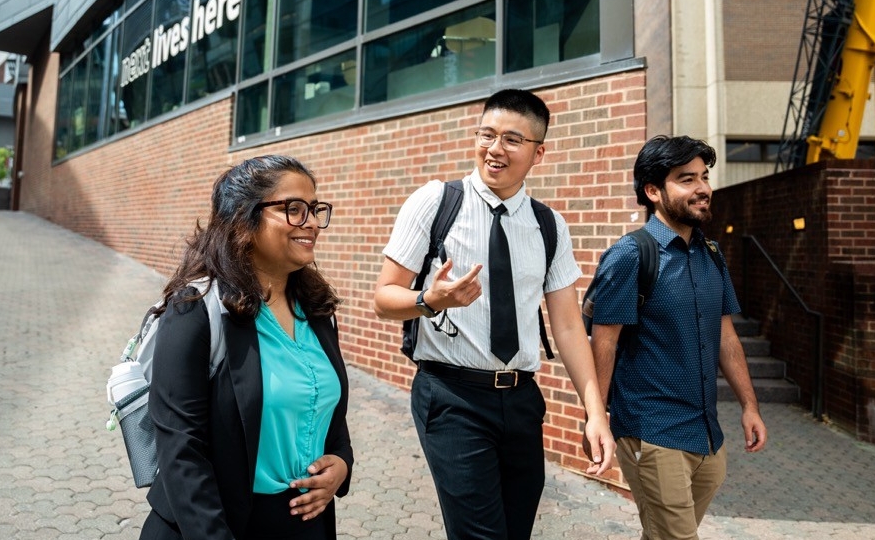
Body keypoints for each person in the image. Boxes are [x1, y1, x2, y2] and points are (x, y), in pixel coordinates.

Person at [372, 89, 615, 540]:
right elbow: (384, 297)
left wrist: (594, 412)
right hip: (452, 396)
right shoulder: (436, 202)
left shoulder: (549, 225)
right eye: (486, 134)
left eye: (512, 139)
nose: (494, 149)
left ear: (538, 153)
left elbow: (567, 326)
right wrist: (431, 299)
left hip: (522, 401)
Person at [141, 154, 352, 540]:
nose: (311, 222)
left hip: (305, 521)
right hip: (213, 523)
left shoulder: (318, 310)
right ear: (244, 220)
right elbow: (181, 448)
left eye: (314, 209)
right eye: (294, 209)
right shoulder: (196, 309)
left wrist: (341, 461)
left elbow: (324, 406)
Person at [587, 135, 768, 540]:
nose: (703, 188)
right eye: (687, 179)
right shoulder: (630, 255)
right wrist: (596, 419)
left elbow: (726, 338)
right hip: (652, 433)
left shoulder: (712, 254)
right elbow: (604, 343)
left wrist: (750, 406)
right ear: (653, 191)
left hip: (707, 436)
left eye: (704, 177)